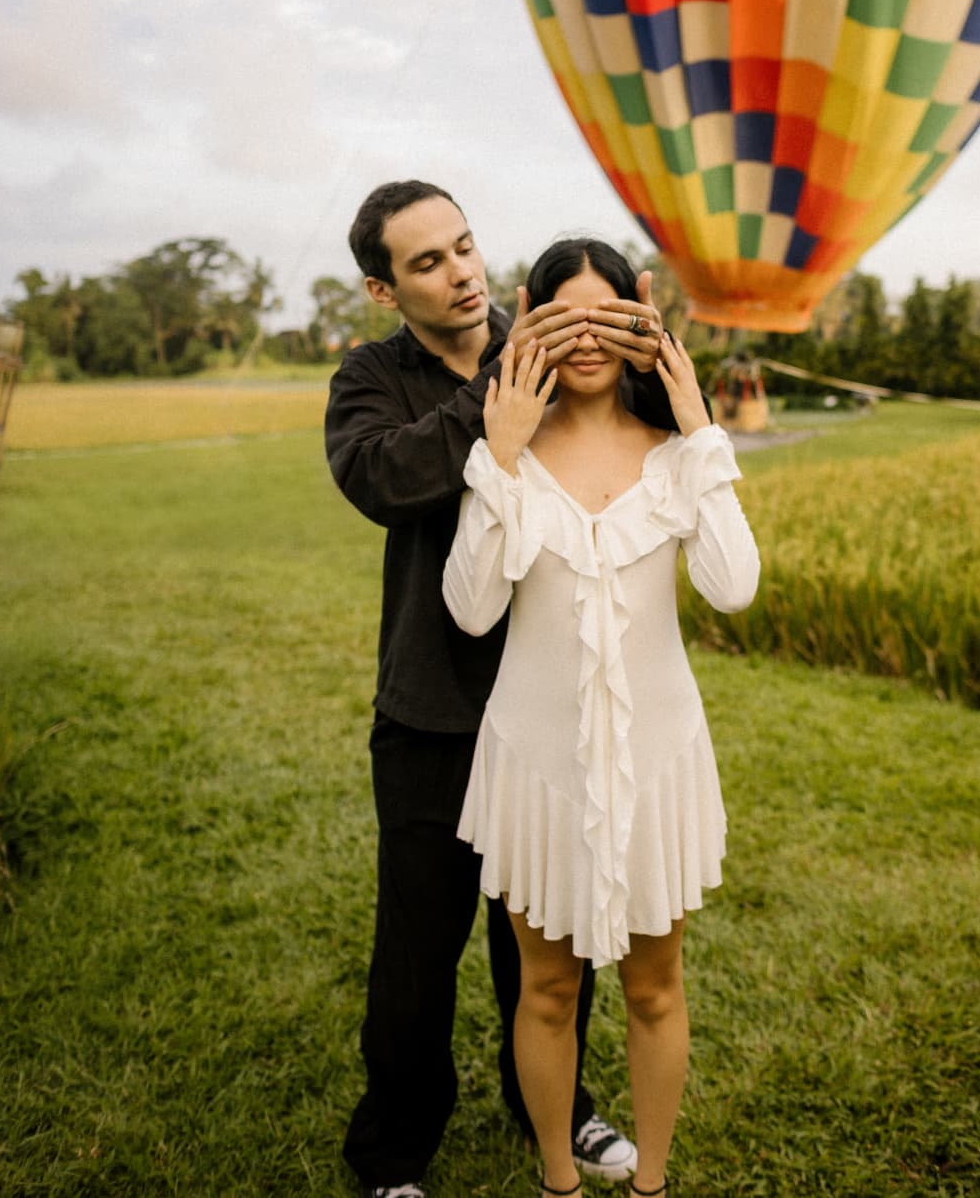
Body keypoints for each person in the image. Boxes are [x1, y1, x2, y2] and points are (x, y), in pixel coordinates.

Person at [325, 181, 679, 1198]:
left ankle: (555, 1116)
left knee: (555, 945)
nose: (460, 271)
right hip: (434, 713)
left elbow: (638, 429)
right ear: (383, 290)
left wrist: (646, 341)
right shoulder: (370, 380)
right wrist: (495, 404)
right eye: (427, 262)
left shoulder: (542, 344)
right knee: (417, 952)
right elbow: (383, 479)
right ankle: (393, 1151)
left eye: (466, 247)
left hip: (560, 708)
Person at [442, 239, 761, 1198]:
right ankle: (557, 1182)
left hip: (656, 757)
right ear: (529, 319)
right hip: (536, 761)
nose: (586, 337)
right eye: (562, 316)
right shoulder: (507, 455)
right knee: (547, 989)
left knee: (654, 987)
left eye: (609, 315)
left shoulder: (674, 459)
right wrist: (497, 458)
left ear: (642, 321)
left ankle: (651, 1184)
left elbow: (733, 586)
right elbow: (469, 609)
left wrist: (699, 423)